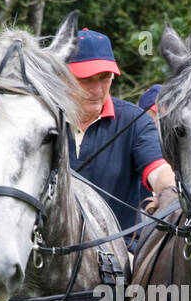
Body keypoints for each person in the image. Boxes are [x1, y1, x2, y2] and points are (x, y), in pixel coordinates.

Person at [66, 30, 175, 237]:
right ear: (62, 76)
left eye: (105, 77)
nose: (97, 89)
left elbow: (158, 169)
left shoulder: (135, 121)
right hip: (49, 255)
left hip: (119, 254)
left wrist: (169, 191)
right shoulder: (42, 121)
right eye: (85, 79)